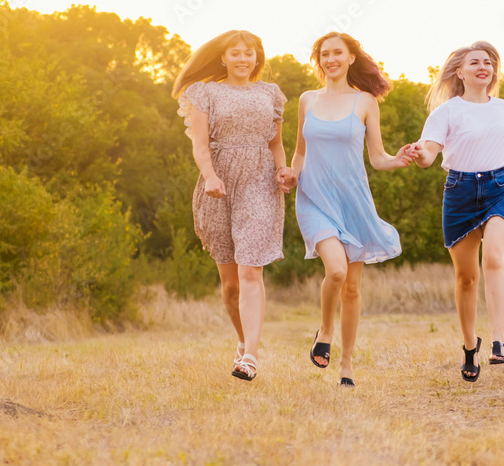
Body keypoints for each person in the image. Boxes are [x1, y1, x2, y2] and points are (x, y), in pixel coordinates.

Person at [286, 32, 413, 387]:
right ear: (318, 60)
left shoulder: (366, 102)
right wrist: (291, 174)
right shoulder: (307, 100)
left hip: (352, 200)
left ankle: (346, 365)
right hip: (313, 198)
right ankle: (324, 330)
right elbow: (299, 152)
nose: (331, 59)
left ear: (351, 57)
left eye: (337, 53)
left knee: (353, 289)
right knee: (337, 272)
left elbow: (377, 157)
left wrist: (398, 160)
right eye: (324, 54)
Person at [172, 29, 292, 382]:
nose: (243, 59)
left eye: (249, 53)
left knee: (250, 270)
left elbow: (276, 144)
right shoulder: (204, 92)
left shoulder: (271, 94)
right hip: (219, 183)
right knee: (230, 285)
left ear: (258, 57)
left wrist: (283, 170)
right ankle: (243, 342)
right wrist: (209, 176)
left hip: (259, 180)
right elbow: (200, 145)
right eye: (235, 53)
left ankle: (251, 357)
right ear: (223, 58)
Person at [410, 41, 504, 382]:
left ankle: (499, 340)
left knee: (493, 257)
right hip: (460, 194)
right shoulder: (446, 112)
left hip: (499, 190)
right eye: (475, 62)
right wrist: (418, 155)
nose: (484, 67)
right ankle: (469, 346)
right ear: (460, 72)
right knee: (466, 278)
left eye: (489, 62)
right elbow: (430, 152)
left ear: (493, 72)